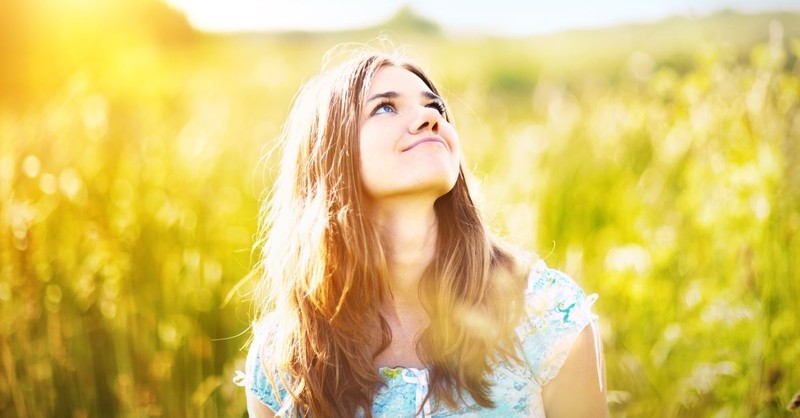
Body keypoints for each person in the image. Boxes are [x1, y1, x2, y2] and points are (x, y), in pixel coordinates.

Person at [235, 45, 607, 417]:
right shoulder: (285, 359)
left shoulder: (543, 314)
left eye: (436, 108)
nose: (429, 119)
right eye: (385, 107)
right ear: (330, 152)